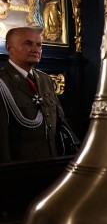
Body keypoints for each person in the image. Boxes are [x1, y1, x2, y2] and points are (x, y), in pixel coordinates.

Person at [0, 27, 68, 162]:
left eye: (39, 45)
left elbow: (60, 120)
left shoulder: (45, 80)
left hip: (52, 163)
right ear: (10, 48)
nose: (35, 49)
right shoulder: (3, 82)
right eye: (28, 43)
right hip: (21, 169)